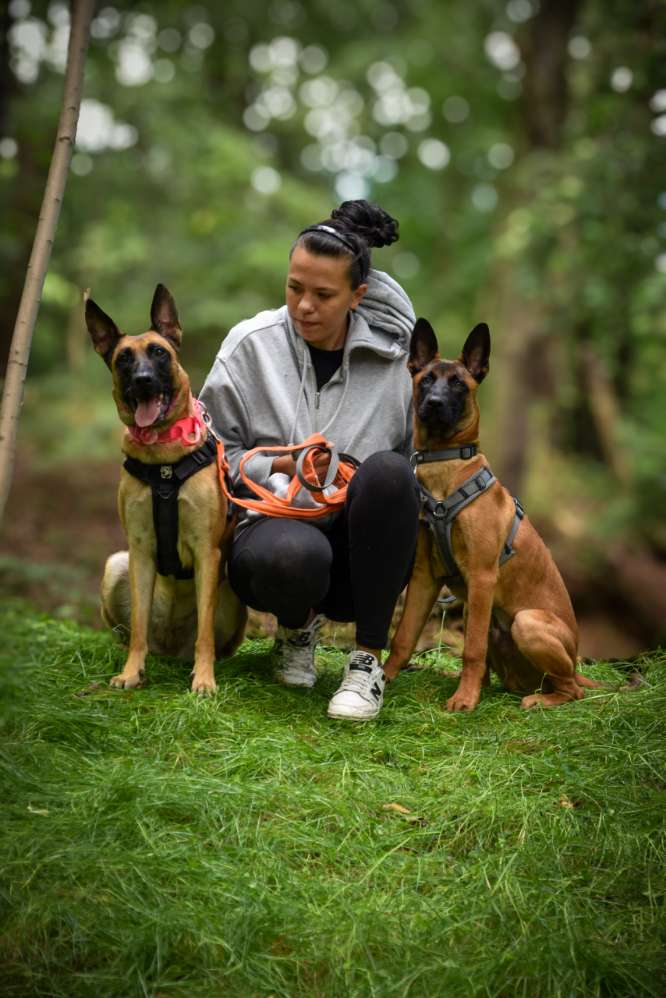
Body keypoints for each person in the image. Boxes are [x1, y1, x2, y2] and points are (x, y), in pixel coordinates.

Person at [199, 199, 420, 720]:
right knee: (292, 555)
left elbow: (414, 469)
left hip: (360, 560)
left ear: (358, 296)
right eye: (294, 287)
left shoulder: (397, 361)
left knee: (389, 472)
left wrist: (354, 475)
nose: (304, 306)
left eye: (324, 294)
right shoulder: (248, 346)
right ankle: (296, 630)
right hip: (273, 541)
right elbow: (208, 453)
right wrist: (277, 466)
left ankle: (366, 662)